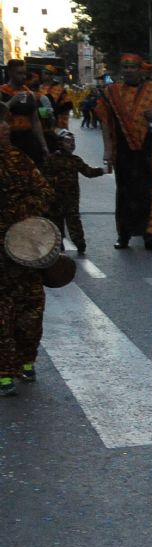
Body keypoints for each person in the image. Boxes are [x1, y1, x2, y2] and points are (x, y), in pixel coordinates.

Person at [0, 104, 54, 397]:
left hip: (24, 250)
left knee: (32, 309)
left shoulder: (20, 160)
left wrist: (23, 212)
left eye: (5, 122)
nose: (5, 127)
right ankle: (5, 372)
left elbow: (45, 192)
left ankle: (26, 360)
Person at [98, 53, 152, 251]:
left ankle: (150, 235)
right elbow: (106, 122)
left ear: (141, 70)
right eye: (125, 67)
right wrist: (108, 150)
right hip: (123, 151)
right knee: (125, 193)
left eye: (132, 67)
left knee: (151, 192)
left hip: (151, 149)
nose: (128, 71)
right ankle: (124, 235)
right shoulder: (111, 93)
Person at [41, 130, 104, 256]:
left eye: (73, 142)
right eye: (68, 142)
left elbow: (88, 172)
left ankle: (79, 242)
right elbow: (45, 176)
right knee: (56, 221)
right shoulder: (52, 159)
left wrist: (102, 170)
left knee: (74, 220)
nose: (71, 144)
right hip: (56, 197)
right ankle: (58, 243)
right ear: (60, 143)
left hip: (72, 197)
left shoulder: (75, 160)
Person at [1, 59, 48, 166]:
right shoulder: (2, 92)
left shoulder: (30, 94)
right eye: (19, 73)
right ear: (10, 73)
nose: (23, 76)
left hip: (28, 140)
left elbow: (35, 121)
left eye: (24, 73)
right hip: (9, 140)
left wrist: (43, 144)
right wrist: (11, 102)